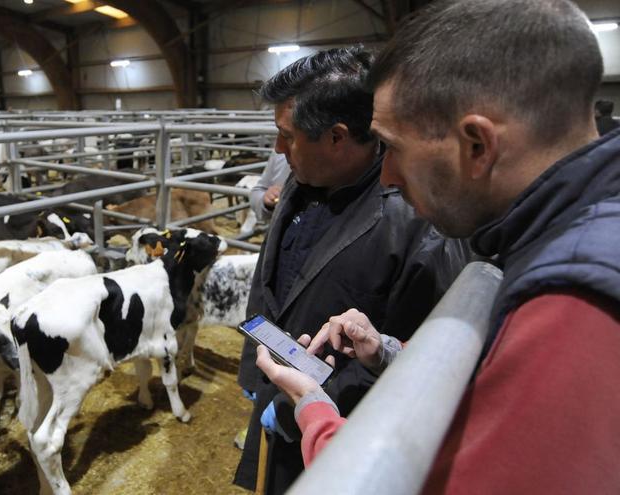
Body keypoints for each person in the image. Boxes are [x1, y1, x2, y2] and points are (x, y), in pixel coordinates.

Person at [257, 0, 620, 493]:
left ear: (477, 146)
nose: (386, 175)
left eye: (395, 148)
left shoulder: (574, 305)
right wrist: (385, 350)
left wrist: (314, 411)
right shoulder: (566, 237)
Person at [233, 47, 470, 493]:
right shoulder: (302, 180)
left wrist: (303, 408)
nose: (278, 150)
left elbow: (417, 358)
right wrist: (254, 372)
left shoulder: (416, 224)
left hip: (345, 435)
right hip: (283, 400)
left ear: (338, 138)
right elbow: (270, 283)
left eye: (287, 136)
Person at [248, 150, 291, 222]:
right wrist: (266, 200)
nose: (278, 146)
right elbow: (258, 190)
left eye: (288, 138)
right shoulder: (280, 154)